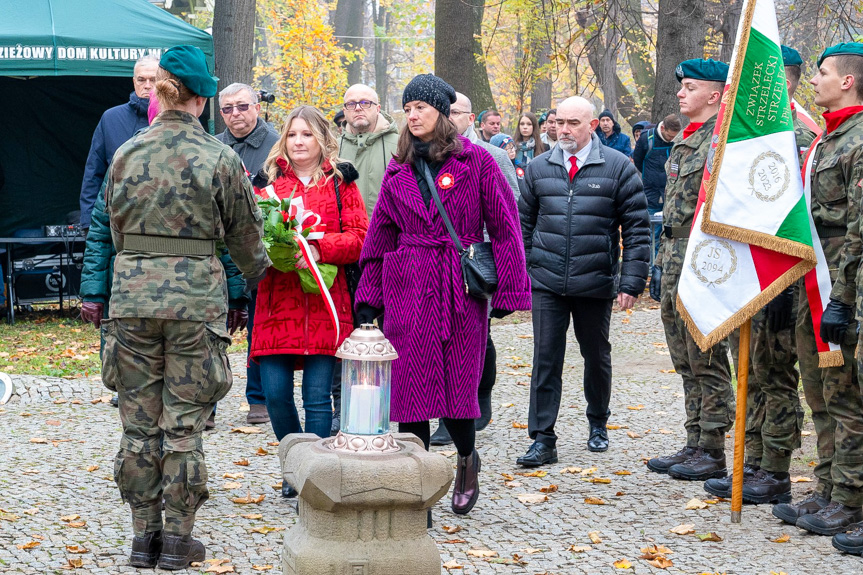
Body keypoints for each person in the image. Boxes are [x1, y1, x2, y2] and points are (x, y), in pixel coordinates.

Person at [102, 45, 270, 570]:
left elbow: (112, 227)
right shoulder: (220, 158)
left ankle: (140, 538)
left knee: (137, 426)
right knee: (183, 427)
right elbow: (246, 239)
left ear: (161, 91)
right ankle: (176, 541)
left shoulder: (126, 152)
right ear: (203, 99)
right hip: (196, 305)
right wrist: (261, 275)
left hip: (131, 302)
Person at [354, 74, 531, 515]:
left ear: (442, 113)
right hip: (408, 283)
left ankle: (467, 459)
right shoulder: (399, 166)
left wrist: (510, 288)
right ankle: (418, 484)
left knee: (457, 390)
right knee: (410, 391)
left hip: (459, 287)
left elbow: (506, 229)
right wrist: (369, 293)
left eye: (422, 108)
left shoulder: (478, 162)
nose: (413, 116)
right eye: (408, 108)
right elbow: (380, 236)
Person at [702, 44, 817, 507]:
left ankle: (775, 467)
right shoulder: (742, 128)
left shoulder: (803, 133)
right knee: (749, 368)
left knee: (777, 375)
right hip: (745, 266)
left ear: (781, 80)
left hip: (783, 272)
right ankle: (751, 459)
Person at [517, 96, 649, 466]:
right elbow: (523, 224)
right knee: (545, 358)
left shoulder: (618, 167)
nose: (563, 130)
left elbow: (637, 228)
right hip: (547, 281)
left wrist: (631, 281)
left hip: (595, 280)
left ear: (592, 126)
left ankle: (598, 423)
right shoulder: (539, 168)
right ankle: (542, 438)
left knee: (596, 355)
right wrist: (527, 268)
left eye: (573, 123)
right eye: (559, 122)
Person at [250, 105, 368, 499]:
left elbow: (359, 237)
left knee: (318, 396)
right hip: (277, 301)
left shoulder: (340, 183)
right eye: (293, 135)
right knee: (276, 394)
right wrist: (272, 250)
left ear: (322, 140)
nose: (299, 142)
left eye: (307, 135)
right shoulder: (266, 185)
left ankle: (314, 476)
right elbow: (248, 237)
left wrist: (319, 249)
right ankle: (293, 462)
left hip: (325, 303)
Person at [773, 42, 863, 541]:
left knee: (848, 395)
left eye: (823, 72)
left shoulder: (857, 140)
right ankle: (831, 486)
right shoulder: (828, 139)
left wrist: (843, 299)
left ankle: (850, 497)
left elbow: (856, 230)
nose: (815, 79)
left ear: (847, 80)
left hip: (841, 284)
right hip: (817, 280)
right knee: (825, 391)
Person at [647, 59, 735, 482]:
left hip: (705, 259)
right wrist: (659, 265)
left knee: (706, 355)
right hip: (675, 255)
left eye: (691, 87)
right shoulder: (687, 137)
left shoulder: (724, 138)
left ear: (715, 95)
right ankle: (695, 438)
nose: (680, 93)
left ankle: (714, 446)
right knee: (684, 356)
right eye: (681, 86)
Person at [428, 91, 522, 447]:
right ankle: (442, 415)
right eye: (445, 112)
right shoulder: (424, 153)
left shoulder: (493, 156)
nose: (450, 118)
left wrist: (495, 257)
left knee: (479, 336)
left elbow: (510, 207)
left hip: (474, 260)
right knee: (438, 339)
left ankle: (480, 393)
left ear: (471, 119)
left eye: (457, 112)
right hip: (436, 262)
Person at [332, 83, 399, 433]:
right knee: (346, 331)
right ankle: (343, 406)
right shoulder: (332, 145)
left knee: (391, 332)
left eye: (364, 103)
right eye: (351, 104)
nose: (358, 109)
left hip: (389, 252)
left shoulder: (399, 141)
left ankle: (390, 403)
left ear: (377, 107)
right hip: (345, 252)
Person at [216, 82, 281, 426]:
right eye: (227, 109)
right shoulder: (213, 145)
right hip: (220, 250)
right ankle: (206, 402)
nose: (235, 115)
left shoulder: (276, 146)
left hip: (260, 247)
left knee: (259, 326)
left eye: (242, 107)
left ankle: (258, 398)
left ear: (256, 106)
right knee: (214, 326)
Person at [79, 55, 158, 230]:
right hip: (118, 221)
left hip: (163, 221)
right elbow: (94, 172)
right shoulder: (111, 118)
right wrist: (88, 222)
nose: (147, 85)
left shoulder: (174, 118)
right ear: (133, 81)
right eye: (141, 79)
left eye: (153, 79)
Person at [632, 113, 682, 259]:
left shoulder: (679, 139)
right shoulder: (646, 139)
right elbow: (638, 160)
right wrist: (651, 178)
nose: (672, 139)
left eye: (675, 137)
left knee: (672, 230)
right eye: (670, 136)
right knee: (653, 230)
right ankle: (652, 265)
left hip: (672, 193)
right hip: (651, 192)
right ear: (663, 128)